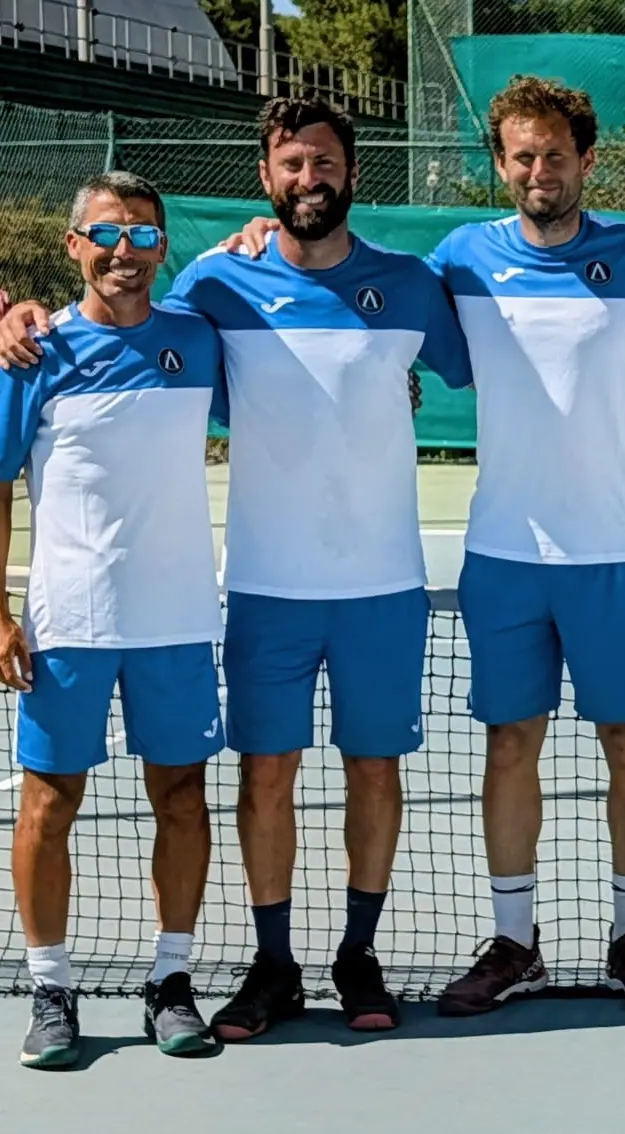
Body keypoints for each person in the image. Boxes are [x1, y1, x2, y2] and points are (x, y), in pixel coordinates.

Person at [213, 76, 625, 1016]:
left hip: (617, 550)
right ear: (501, 164)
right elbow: (363, 328)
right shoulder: (459, 262)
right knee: (510, 745)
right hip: (504, 551)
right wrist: (247, 235)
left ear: (585, 160)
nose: (539, 169)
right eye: (521, 155)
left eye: (556, 154)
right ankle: (516, 943)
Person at [0, 95, 474, 1039]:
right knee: (257, 777)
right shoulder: (211, 291)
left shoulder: (406, 287)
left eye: (324, 163)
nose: (308, 179)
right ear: (265, 179)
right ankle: (262, 966)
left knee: (369, 772)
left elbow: (496, 361)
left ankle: (351, 956)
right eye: (290, 166)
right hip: (250, 590)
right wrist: (18, 317)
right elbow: (108, 333)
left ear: (349, 172)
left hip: (376, 586)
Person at [0, 173, 225, 1067]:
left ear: (161, 249)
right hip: (69, 622)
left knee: (181, 797)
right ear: (73, 246)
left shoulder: (200, 342)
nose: (123, 253)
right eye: (105, 235)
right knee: (49, 804)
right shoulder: (34, 353)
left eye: (141, 237)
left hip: (175, 620)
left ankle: (171, 982)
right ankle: (50, 987)